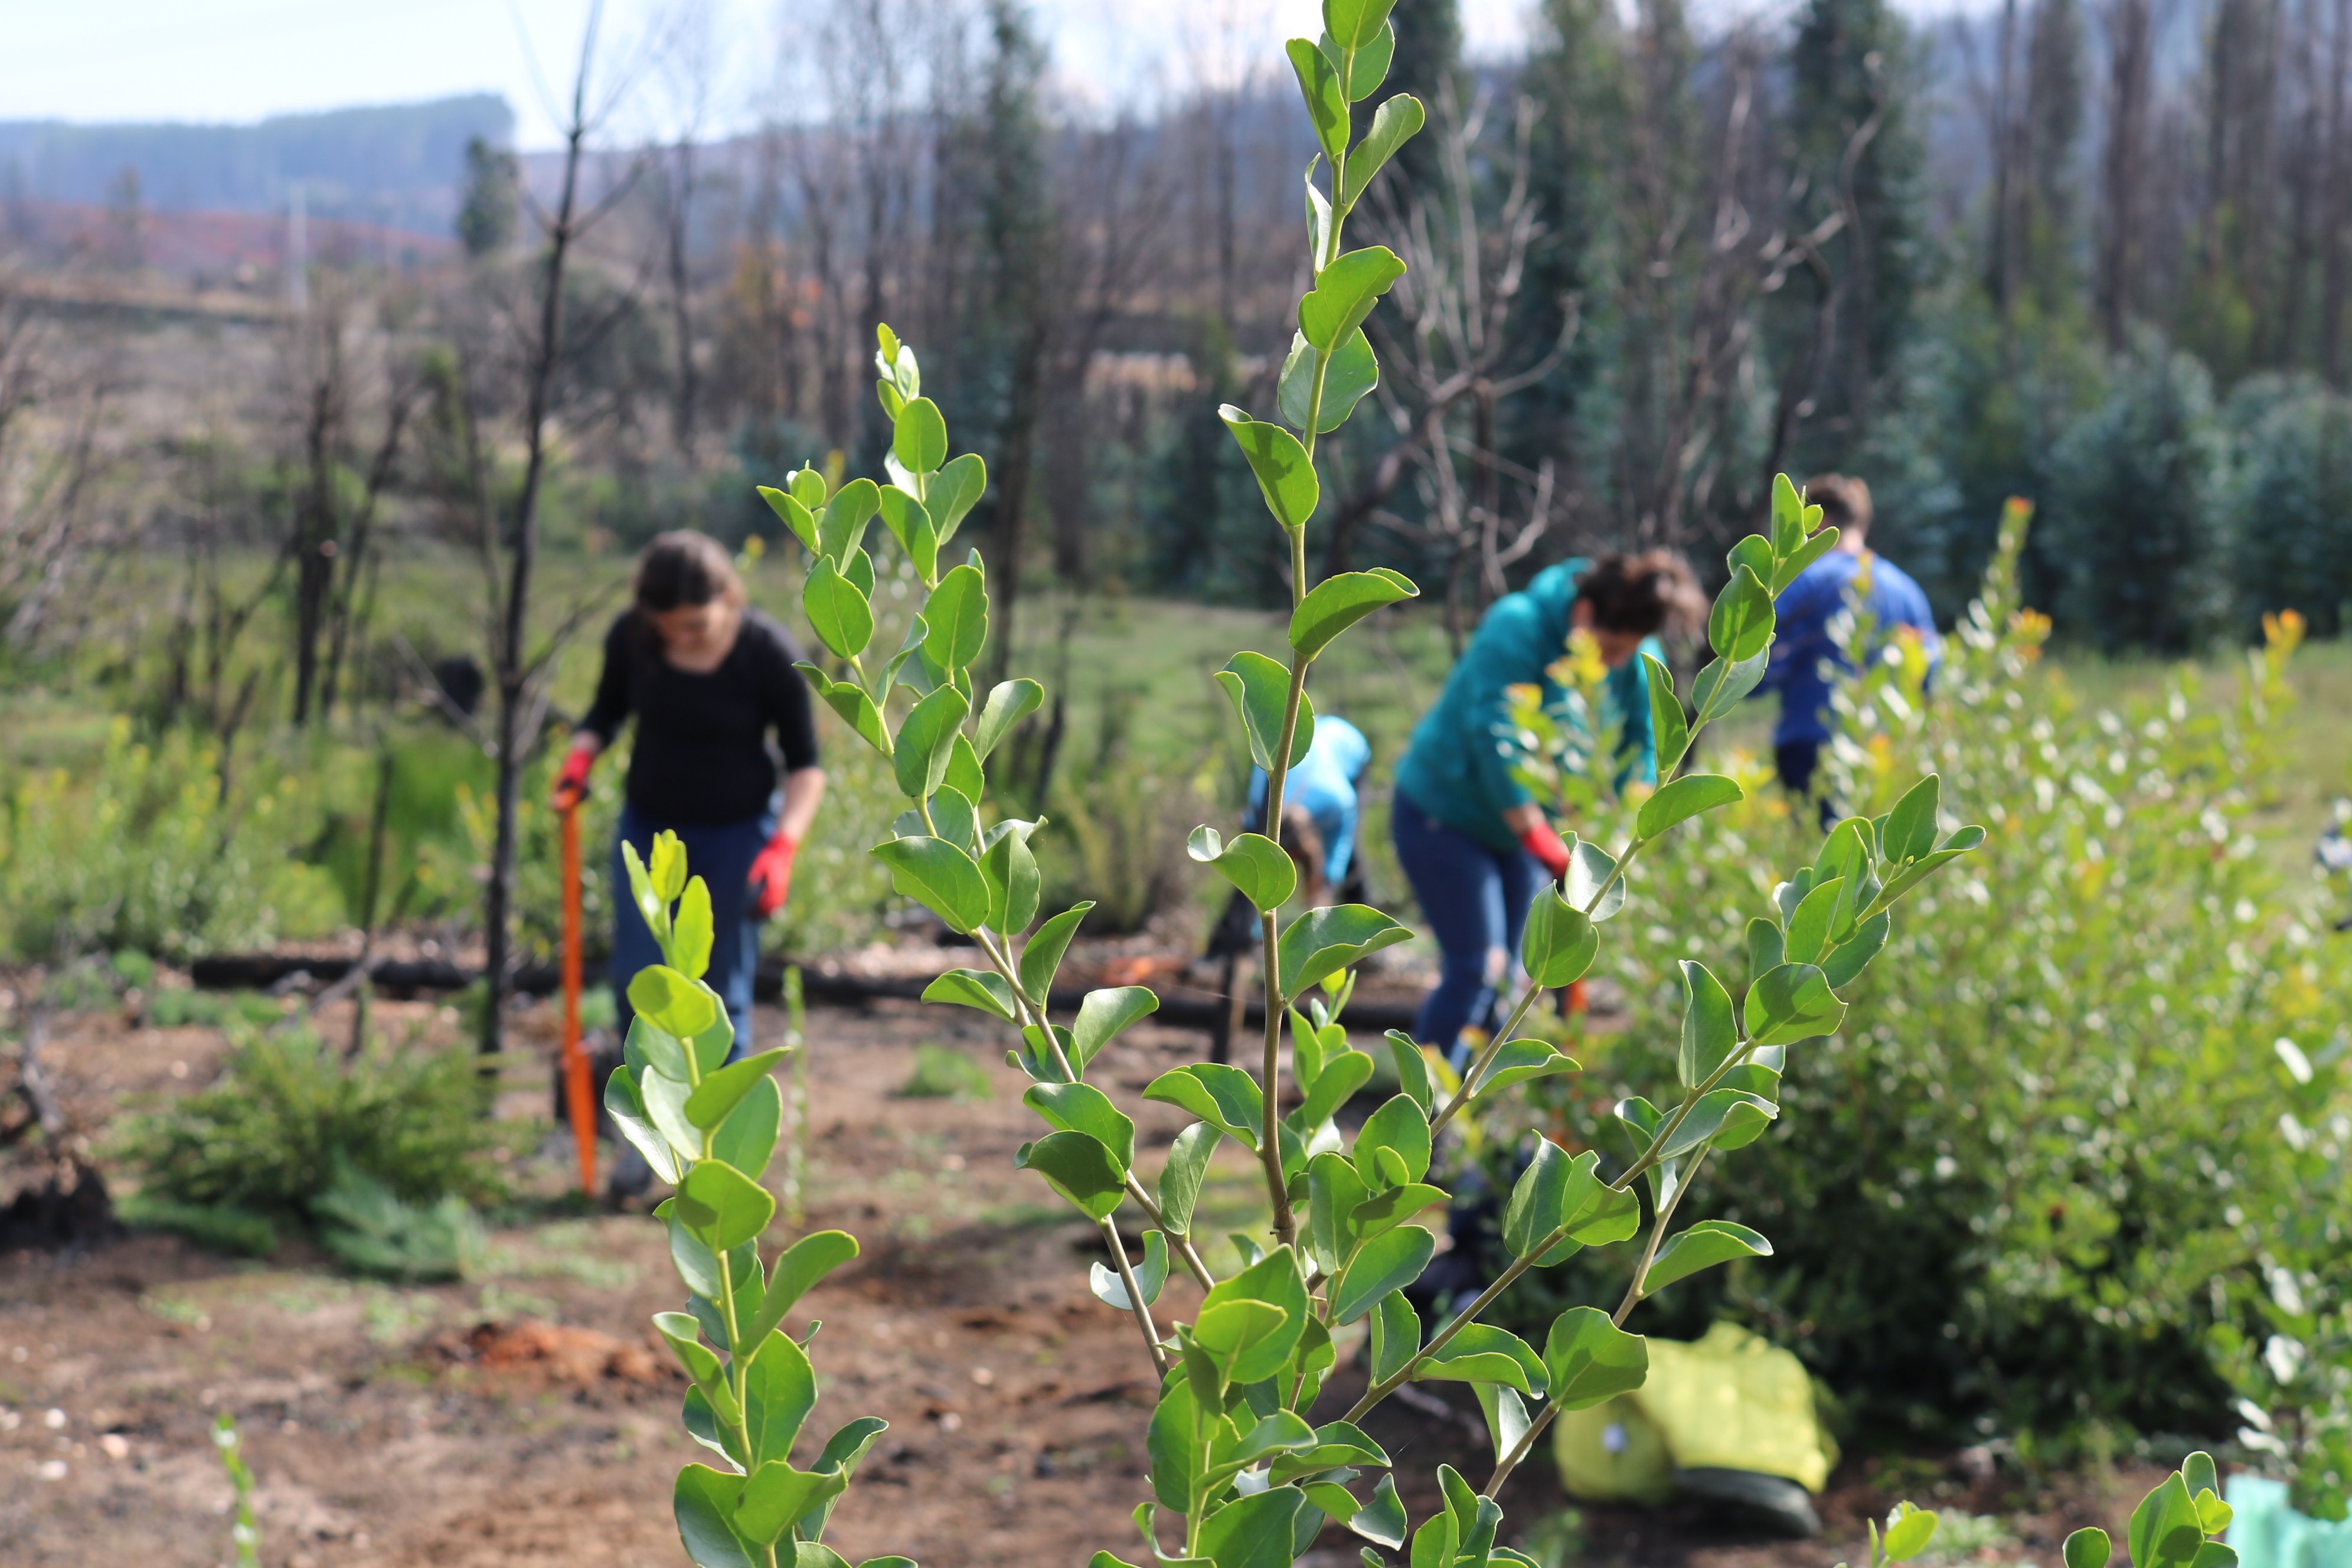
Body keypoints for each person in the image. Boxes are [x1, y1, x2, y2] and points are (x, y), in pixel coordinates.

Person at [1391, 552, 1705, 1056]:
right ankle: (1421, 1119)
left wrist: (1618, 838)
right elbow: (1496, 733)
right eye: (1608, 648)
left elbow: (1645, 745)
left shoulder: (1638, 659)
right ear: (1584, 613)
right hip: (1445, 816)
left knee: (1518, 983)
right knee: (1478, 969)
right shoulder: (1518, 625)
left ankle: (1473, 1116)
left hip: (1522, 838)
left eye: (1627, 651)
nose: (1615, 663)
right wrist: (1537, 832)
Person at [551, 530, 825, 1068]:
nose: (683, 637)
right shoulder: (632, 638)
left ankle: (717, 1143)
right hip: (648, 831)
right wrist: (580, 759)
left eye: (696, 625)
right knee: (639, 981)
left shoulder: (767, 655)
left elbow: (806, 767)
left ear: (728, 598)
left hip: (737, 837)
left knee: (719, 992)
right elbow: (605, 715)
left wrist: (782, 849)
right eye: (669, 626)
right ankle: (653, 1138)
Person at [1758, 475, 1939, 812]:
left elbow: (1753, 667)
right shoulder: (1908, 590)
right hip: (1886, 753)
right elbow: (1930, 677)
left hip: (1808, 748)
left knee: (1821, 859)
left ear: (1820, 523)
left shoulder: (1803, 583)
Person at [1204, 716, 1371, 1063]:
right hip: (1293, 772)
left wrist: (1326, 888)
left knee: (1349, 865)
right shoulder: (1262, 795)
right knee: (1248, 894)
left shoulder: (1339, 801)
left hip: (1347, 745)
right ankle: (1222, 945)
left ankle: (1366, 941)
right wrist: (1251, 931)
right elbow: (1250, 854)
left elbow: (1338, 851)